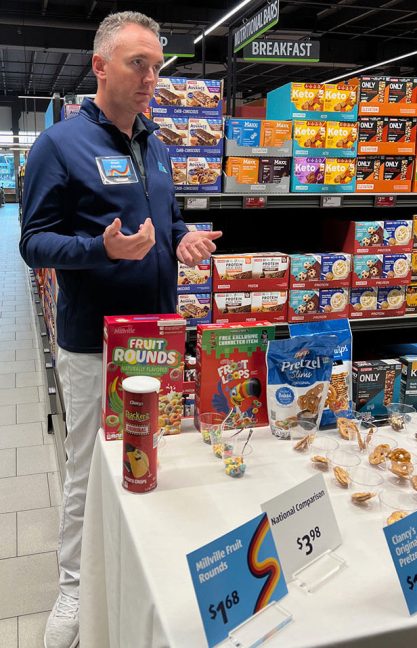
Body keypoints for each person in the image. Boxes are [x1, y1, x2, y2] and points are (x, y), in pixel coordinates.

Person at [19, 11, 222, 648]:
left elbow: (169, 213)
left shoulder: (155, 142)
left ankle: (143, 566)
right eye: (139, 64)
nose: (152, 78)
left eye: (158, 66)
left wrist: (183, 236)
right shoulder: (60, 145)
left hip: (157, 335)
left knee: (153, 449)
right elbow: (33, 244)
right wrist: (100, 250)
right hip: (92, 342)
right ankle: (75, 588)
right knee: (87, 466)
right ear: (100, 66)